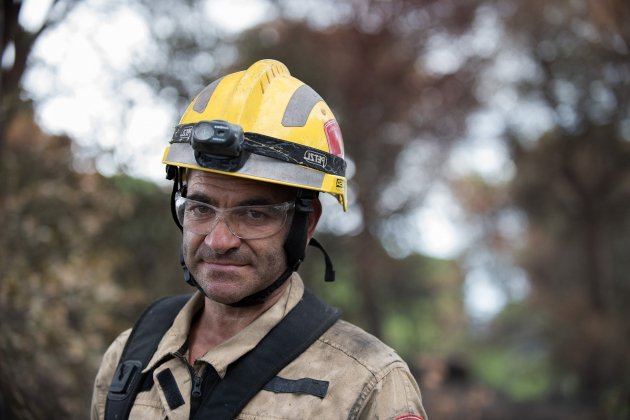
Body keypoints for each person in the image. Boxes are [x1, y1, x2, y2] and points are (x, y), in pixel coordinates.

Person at [90, 59, 428, 420]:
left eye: (253, 215)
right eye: (201, 208)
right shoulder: (130, 357)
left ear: (306, 223)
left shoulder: (369, 384)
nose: (219, 241)